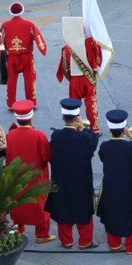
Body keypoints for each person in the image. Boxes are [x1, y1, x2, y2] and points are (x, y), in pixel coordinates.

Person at [45, 99, 100, 248]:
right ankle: (85, 241)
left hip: (61, 178)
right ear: (77, 118)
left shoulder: (56, 136)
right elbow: (94, 140)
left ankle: (67, 240)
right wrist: (84, 128)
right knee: (84, 211)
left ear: (63, 118)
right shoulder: (84, 138)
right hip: (81, 181)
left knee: (63, 208)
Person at [96, 109, 132, 254]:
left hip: (112, 184)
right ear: (124, 129)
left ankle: (114, 244)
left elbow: (102, 157)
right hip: (131, 185)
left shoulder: (105, 146)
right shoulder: (131, 147)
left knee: (112, 211)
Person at [5, 99, 54, 243]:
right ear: (31, 118)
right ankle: (42, 235)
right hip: (37, 177)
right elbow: (47, 157)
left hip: (17, 177)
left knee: (17, 202)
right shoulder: (39, 135)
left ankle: (17, 230)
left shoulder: (9, 136)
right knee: (39, 204)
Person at [56, 17, 102, 133]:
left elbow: (65, 68)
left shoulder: (66, 48)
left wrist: (71, 79)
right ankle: (94, 128)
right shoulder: (90, 42)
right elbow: (98, 57)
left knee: (74, 106)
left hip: (75, 81)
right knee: (91, 104)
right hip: (88, 79)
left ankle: (75, 127)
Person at [0, 1, 47, 105]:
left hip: (11, 58)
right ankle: (31, 103)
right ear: (22, 11)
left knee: (11, 82)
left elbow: (1, 41)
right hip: (27, 57)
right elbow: (38, 37)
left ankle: (11, 103)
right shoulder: (29, 24)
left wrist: (0, 55)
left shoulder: (5, 25)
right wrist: (42, 48)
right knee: (30, 81)